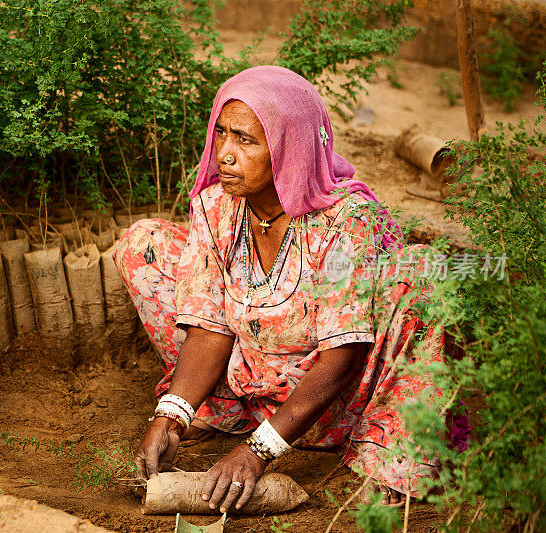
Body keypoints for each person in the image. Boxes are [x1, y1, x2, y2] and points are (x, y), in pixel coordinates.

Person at [113, 66, 449, 513]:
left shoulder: (343, 221)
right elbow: (210, 325)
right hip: (249, 379)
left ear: (290, 150)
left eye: (246, 141)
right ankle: (221, 411)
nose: (225, 155)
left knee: (421, 278)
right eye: (222, 134)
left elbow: (342, 356)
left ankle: (387, 452)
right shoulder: (218, 206)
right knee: (145, 244)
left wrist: (259, 452)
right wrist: (171, 413)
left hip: (332, 401)